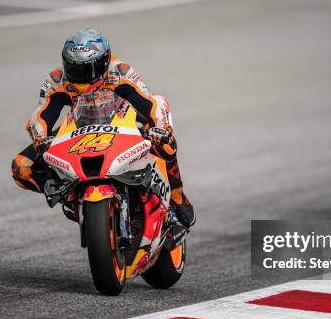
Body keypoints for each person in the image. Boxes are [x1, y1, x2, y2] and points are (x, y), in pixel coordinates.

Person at [11, 29, 195, 228]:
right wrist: (41, 138)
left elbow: (150, 106)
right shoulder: (57, 80)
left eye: (89, 68)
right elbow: (41, 115)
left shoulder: (120, 72)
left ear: (105, 61)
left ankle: (177, 195)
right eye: (75, 68)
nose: (82, 77)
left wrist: (161, 129)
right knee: (21, 167)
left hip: (122, 122)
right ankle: (70, 191)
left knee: (166, 143)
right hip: (78, 128)